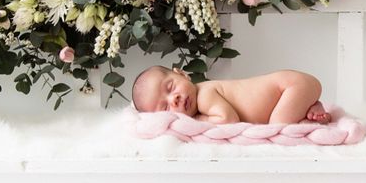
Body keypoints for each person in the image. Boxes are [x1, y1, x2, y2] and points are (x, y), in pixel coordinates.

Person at [131, 66, 331, 125]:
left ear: (182, 74)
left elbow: (228, 119)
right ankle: (311, 107)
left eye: (171, 87)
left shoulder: (204, 95)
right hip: (291, 87)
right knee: (281, 116)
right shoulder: (203, 95)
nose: (173, 99)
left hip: (289, 87)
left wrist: (198, 120)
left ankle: (309, 121)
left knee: (279, 125)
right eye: (165, 107)